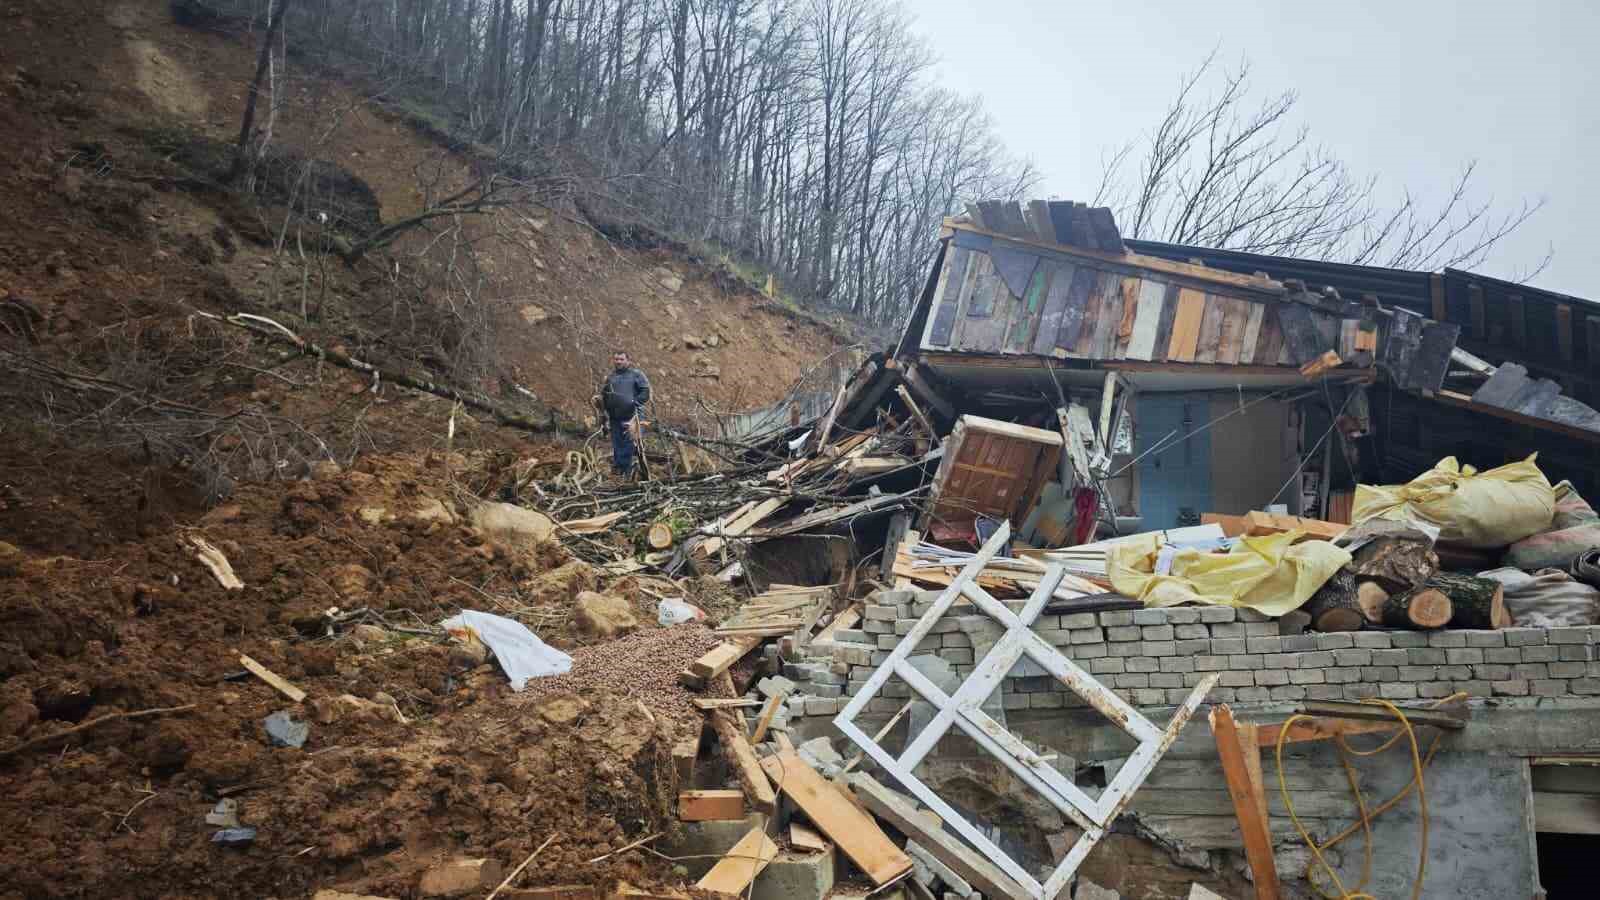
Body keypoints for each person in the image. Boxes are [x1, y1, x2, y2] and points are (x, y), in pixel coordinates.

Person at [598, 350, 650, 476]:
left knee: (629, 443)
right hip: (614, 417)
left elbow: (645, 391)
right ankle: (618, 469)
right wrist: (602, 410)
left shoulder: (636, 374)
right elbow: (604, 395)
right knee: (617, 443)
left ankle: (626, 471)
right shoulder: (611, 377)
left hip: (632, 416)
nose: (619, 362)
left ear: (628, 360)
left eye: (621, 359)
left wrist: (634, 403)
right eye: (616, 359)